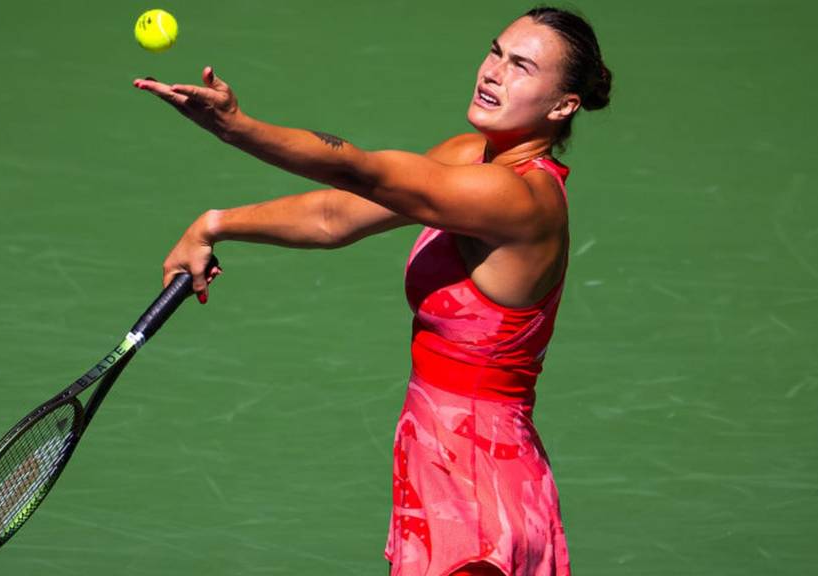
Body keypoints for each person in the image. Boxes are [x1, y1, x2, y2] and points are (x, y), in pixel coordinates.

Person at [134, 6, 611, 575]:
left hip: (479, 480)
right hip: (440, 460)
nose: (493, 72)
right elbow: (337, 214)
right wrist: (214, 223)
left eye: (521, 66)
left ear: (562, 106)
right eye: (495, 52)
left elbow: (365, 172)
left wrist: (240, 127)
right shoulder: (467, 156)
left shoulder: (517, 200)